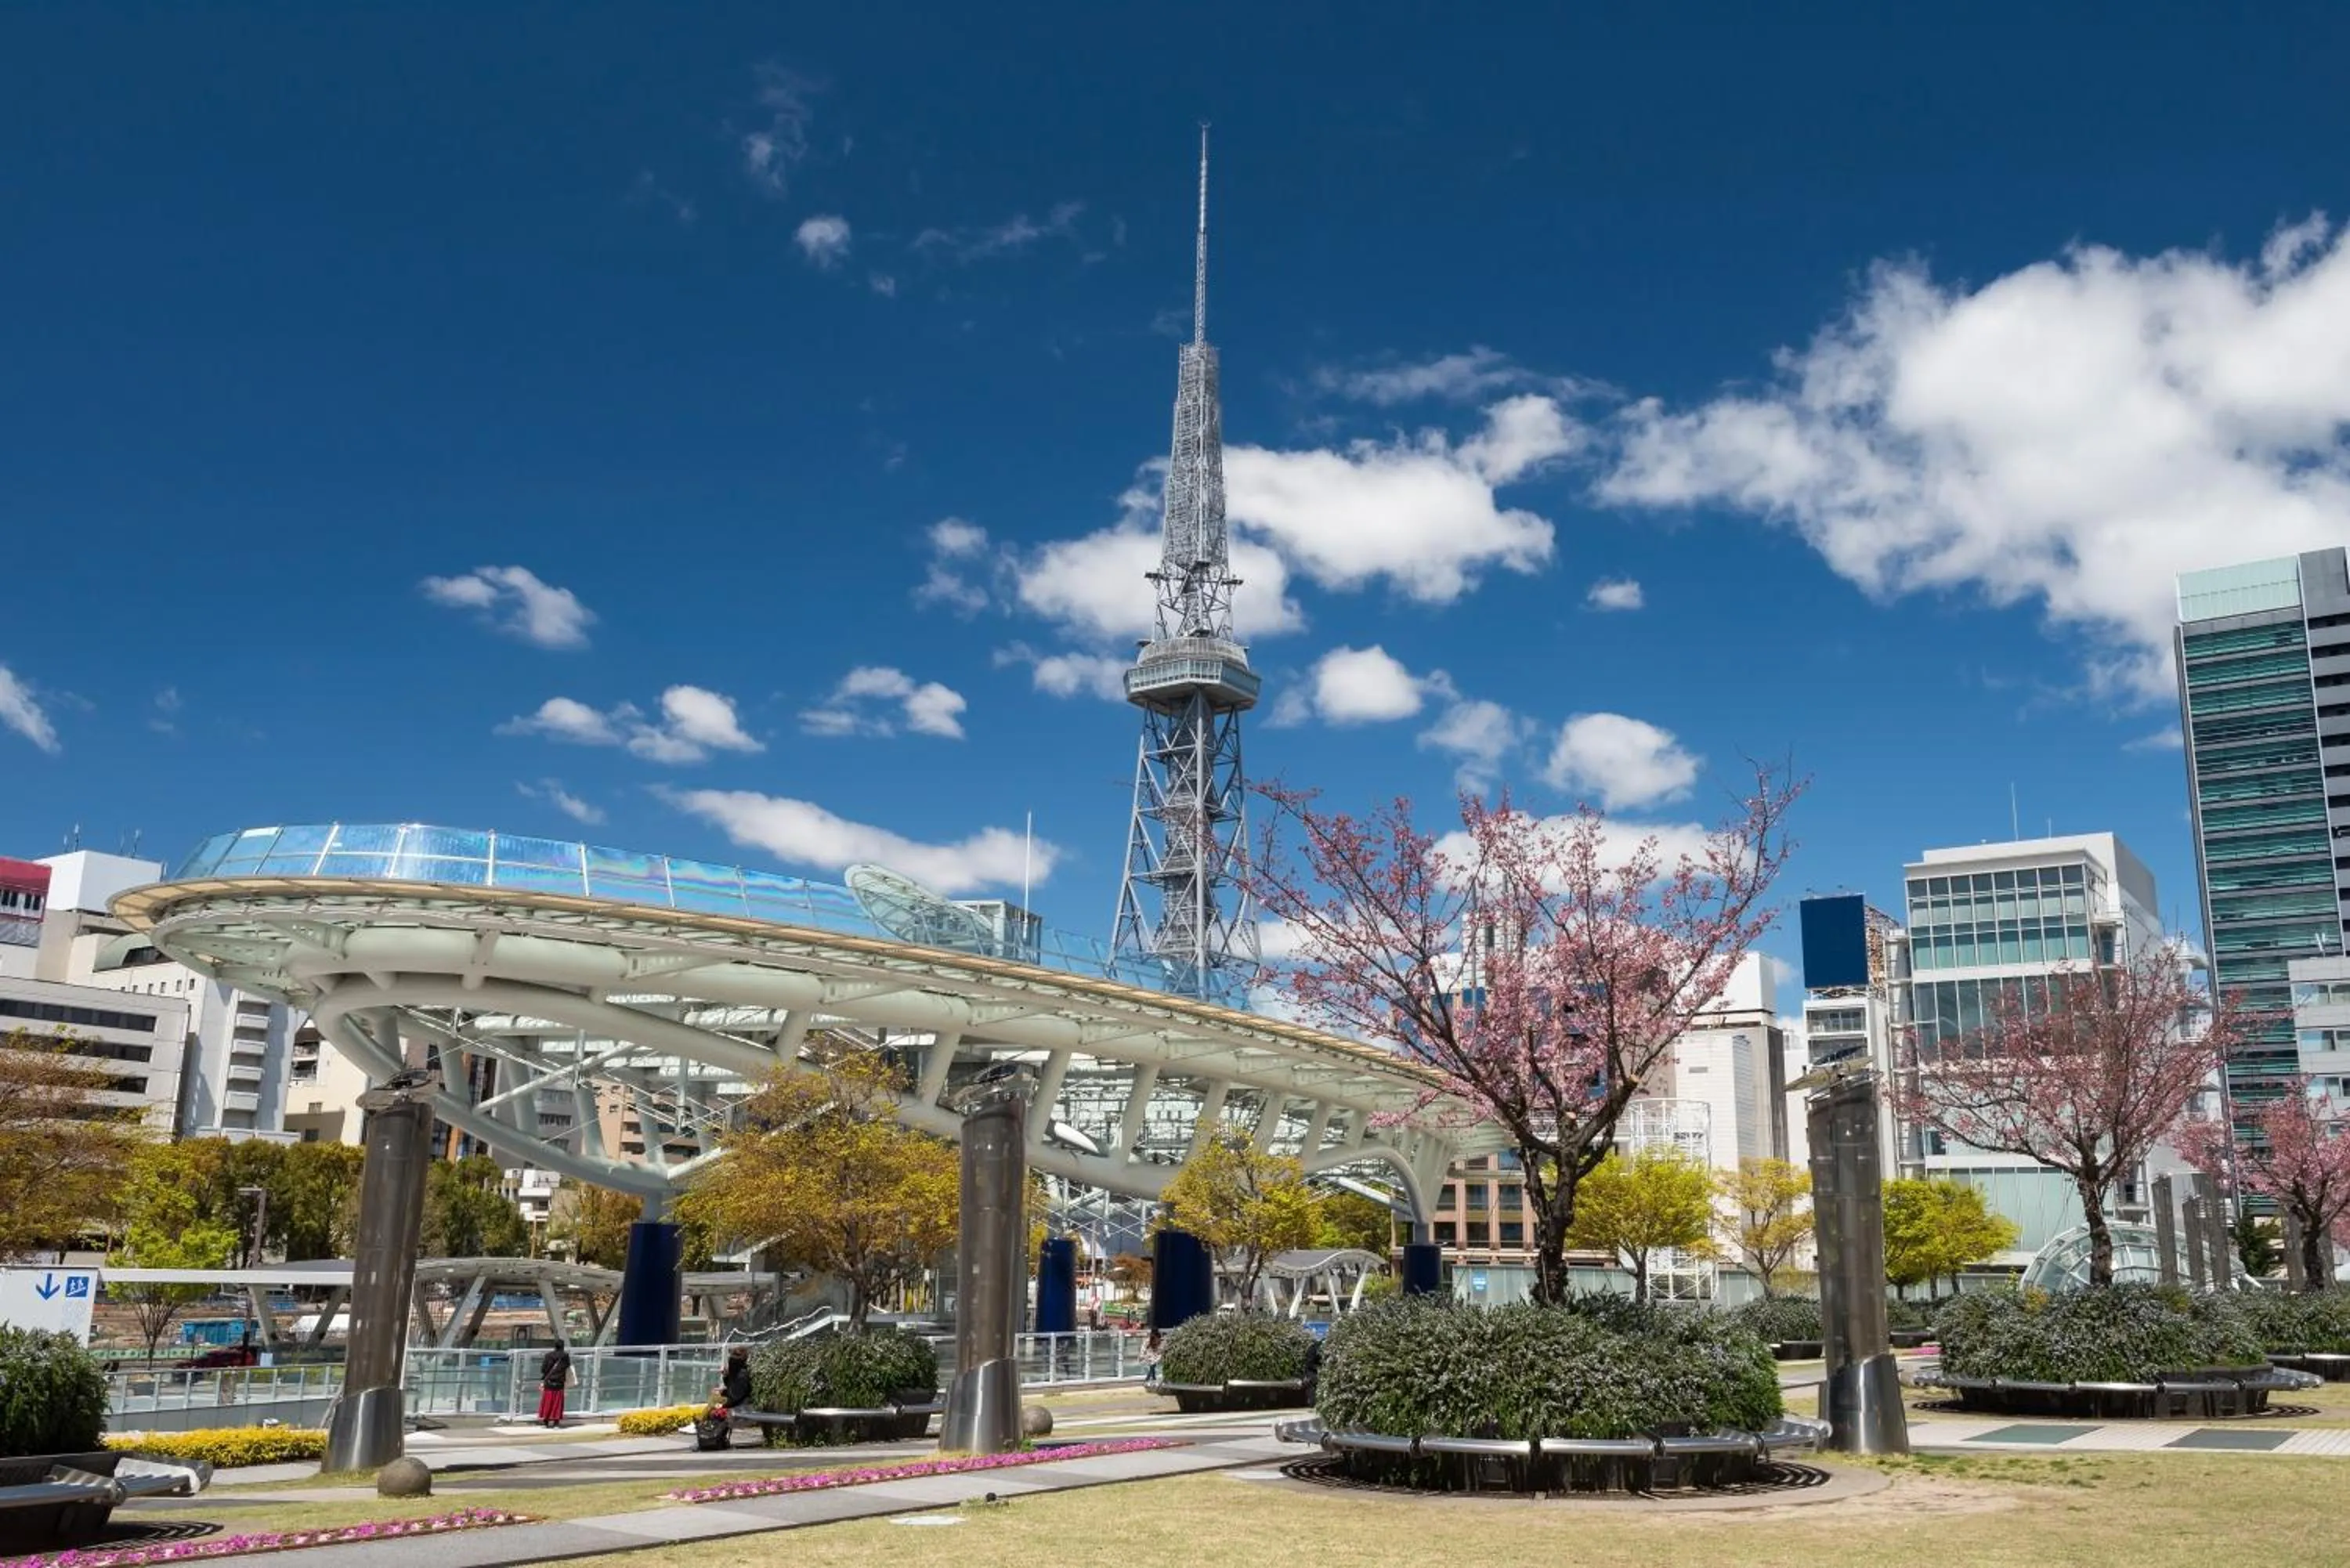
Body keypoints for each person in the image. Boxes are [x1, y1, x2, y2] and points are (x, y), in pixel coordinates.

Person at [697, 1346, 753, 1451]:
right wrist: (726, 1376)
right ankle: (702, 1422)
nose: (730, 1362)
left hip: (739, 1402)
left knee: (714, 1400)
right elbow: (732, 1387)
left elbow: (737, 1395)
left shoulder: (741, 1374)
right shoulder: (737, 1372)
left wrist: (723, 1403)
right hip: (734, 1398)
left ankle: (701, 1422)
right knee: (714, 1398)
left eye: (731, 1360)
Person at [538, 1339, 572, 1428]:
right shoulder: (565, 1356)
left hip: (549, 1382)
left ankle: (546, 1422)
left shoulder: (548, 1355)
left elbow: (543, 1369)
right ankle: (556, 1422)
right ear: (563, 1346)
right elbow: (568, 1367)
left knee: (547, 1402)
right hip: (560, 1382)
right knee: (557, 1403)